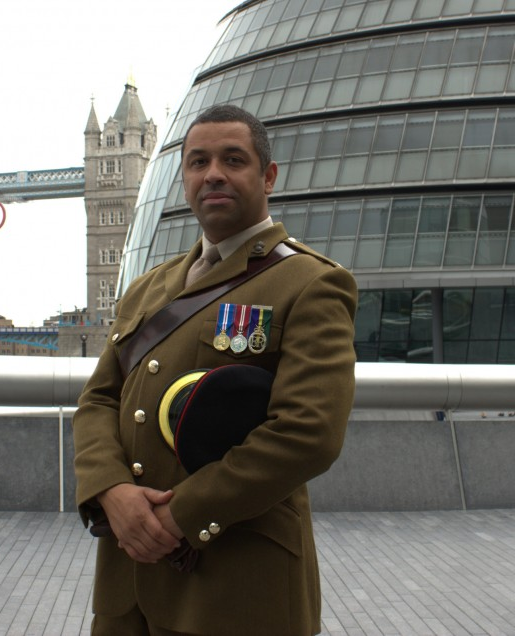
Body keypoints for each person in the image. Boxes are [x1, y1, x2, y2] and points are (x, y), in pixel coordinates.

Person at [73, 104, 358, 636]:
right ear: (183, 178)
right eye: (198, 162)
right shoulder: (148, 287)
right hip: (126, 587)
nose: (214, 174)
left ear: (268, 176)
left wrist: (176, 516)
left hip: (236, 590)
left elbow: (309, 433)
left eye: (233, 160)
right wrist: (110, 490)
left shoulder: (311, 283)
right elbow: (100, 399)